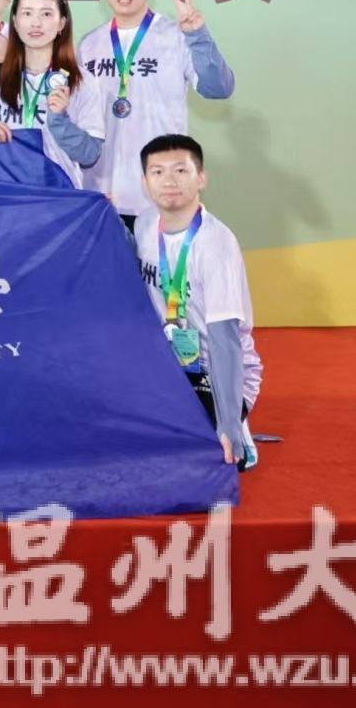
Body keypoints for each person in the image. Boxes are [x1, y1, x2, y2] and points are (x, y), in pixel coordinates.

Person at [77, 0, 236, 228]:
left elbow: (218, 88)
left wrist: (198, 36)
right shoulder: (89, 44)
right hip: (102, 193)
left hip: (161, 194)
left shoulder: (176, 35)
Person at [134, 134, 261, 471]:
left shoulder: (216, 246)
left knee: (202, 460)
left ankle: (235, 421)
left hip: (210, 367)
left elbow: (225, 342)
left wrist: (228, 423)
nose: (169, 181)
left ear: (201, 178)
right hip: (164, 362)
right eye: (157, 172)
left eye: (181, 170)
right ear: (144, 182)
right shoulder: (145, 224)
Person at [0, 0, 105, 189]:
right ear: (15, 22)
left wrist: (60, 120)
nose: (35, 23)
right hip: (6, 193)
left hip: (58, 195)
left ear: (61, 23)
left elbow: (89, 155)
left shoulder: (81, 80)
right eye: (27, 13)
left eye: (46, 14)